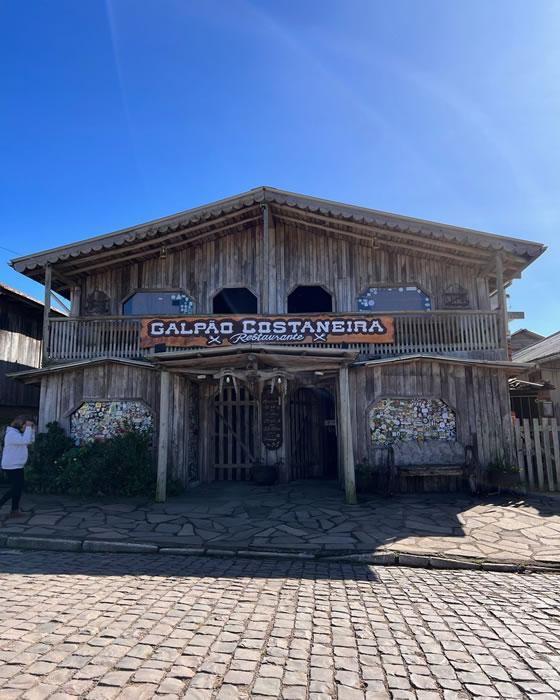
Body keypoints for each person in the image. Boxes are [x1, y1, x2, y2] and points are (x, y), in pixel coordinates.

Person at [0, 416, 35, 518]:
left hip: (17, 465)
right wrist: (29, 428)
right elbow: (25, 440)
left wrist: (31, 429)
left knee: (18, 488)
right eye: (25, 426)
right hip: (11, 466)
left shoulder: (18, 434)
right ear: (20, 424)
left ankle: (14, 510)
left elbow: (30, 440)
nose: (26, 428)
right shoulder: (11, 434)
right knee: (16, 488)